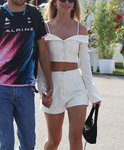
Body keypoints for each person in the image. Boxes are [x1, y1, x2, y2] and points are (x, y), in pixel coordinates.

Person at [0, 0, 53, 149]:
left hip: (26, 89)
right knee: (7, 144)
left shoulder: (34, 13)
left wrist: (49, 87)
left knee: (28, 144)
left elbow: (43, 53)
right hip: (0, 89)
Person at [37, 0, 102, 149]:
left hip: (77, 88)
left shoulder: (81, 29)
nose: (66, 2)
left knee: (75, 137)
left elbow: (85, 64)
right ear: (54, 3)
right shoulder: (44, 27)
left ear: (74, 4)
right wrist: (42, 90)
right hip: (52, 87)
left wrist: (93, 93)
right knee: (54, 141)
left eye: (70, 0)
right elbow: (40, 62)